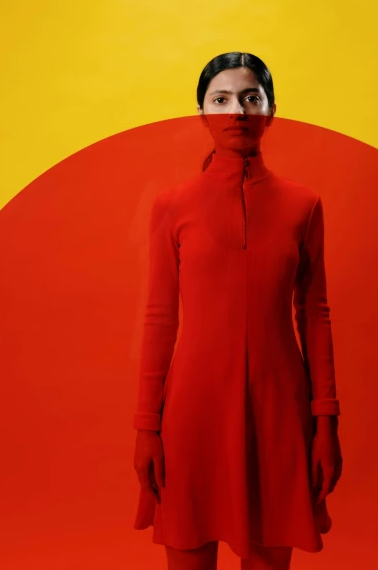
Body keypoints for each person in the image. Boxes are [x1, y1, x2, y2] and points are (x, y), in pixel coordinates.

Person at [132, 52, 343, 570]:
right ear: (202, 113)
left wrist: (326, 424)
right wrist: (146, 426)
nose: (237, 112)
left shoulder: (304, 206)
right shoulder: (172, 206)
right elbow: (161, 318)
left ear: (271, 111)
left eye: (251, 98)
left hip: (279, 410)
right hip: (192, 410)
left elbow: (314, 315)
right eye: (220, 99)